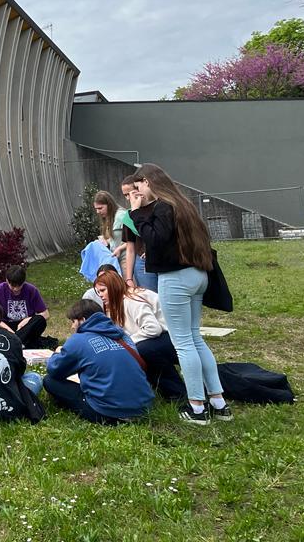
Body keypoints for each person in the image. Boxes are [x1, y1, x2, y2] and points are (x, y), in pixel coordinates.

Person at [129, 163, 231, 424]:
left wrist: (136, 212)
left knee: (183, 342)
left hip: (176, 279)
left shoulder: (163, 206)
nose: (136, 193)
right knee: (195, 339)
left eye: (138, 187)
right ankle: (219, 402)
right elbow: (170, 240)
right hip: (197, 274)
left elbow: (154, 238)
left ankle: (197, 407)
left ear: (149, 183)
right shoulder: (183, 204)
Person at [44, 300, 154, 424]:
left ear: (83, 320)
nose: (72, 327)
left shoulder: (78, 340)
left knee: (49, 381)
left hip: (107, 413)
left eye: (73, 322)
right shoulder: (124, 336)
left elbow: (54, 369)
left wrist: (57, 353)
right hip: (144, 408)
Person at [93, 270, 185, 400]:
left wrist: (128, 343)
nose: (100, 295)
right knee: (135, 350)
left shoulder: (131, 300)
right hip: (158, 338)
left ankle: (176, 392)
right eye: (98, 292)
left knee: (143, 350)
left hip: (173, 336)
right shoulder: (116, 303)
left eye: (103, 290)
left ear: (113, 287)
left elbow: (153, 328)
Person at [0, 265, 50, 348]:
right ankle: (20, 342)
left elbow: (45, 314)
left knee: (40, 320)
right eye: (13, 286)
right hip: (5, 325)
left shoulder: (31, 290)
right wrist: (10, 332)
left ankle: (16, 342)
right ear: (7, 281)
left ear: (23, 282)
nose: (16, 289)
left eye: (19, 286)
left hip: (25, 327)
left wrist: (27, 320)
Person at [120, 176, 158, 292]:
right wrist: (129, 278)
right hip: (142, 263)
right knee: (151, 297)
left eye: (130, 193)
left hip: (161, 258)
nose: (128, 198)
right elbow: (130, 248)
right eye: (125, 195)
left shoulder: (158, 207)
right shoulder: (128, 216)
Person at [93, 190, 129, 262]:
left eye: (100, 208)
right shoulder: (109, 217)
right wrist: (106, 241)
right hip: (116, 259)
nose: (98, 212)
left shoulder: (121, 215)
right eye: (96, 209)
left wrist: (120, 248)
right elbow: (118, 238)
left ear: (109, 205)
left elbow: (135, 239)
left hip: (126, 260)